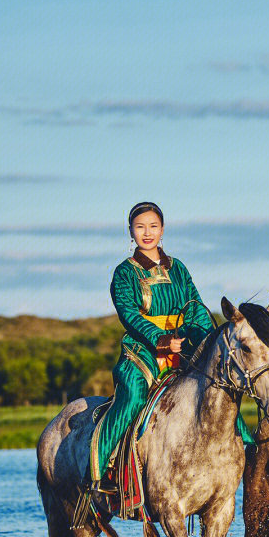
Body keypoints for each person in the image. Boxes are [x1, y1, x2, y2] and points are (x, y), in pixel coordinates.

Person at [88, 201, 214, 489]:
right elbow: (129, 314)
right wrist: (162, 340)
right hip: (142, 349)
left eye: (153, 226)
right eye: (140, 227)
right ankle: (102, 470)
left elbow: (195, 306)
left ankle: (245, 448)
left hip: (182, 344)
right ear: (130, 231)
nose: (147, 233)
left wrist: (204, 338)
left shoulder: (178, 268)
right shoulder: (125, 273)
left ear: (163, 230)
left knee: (216, 388)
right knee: (132, 396)